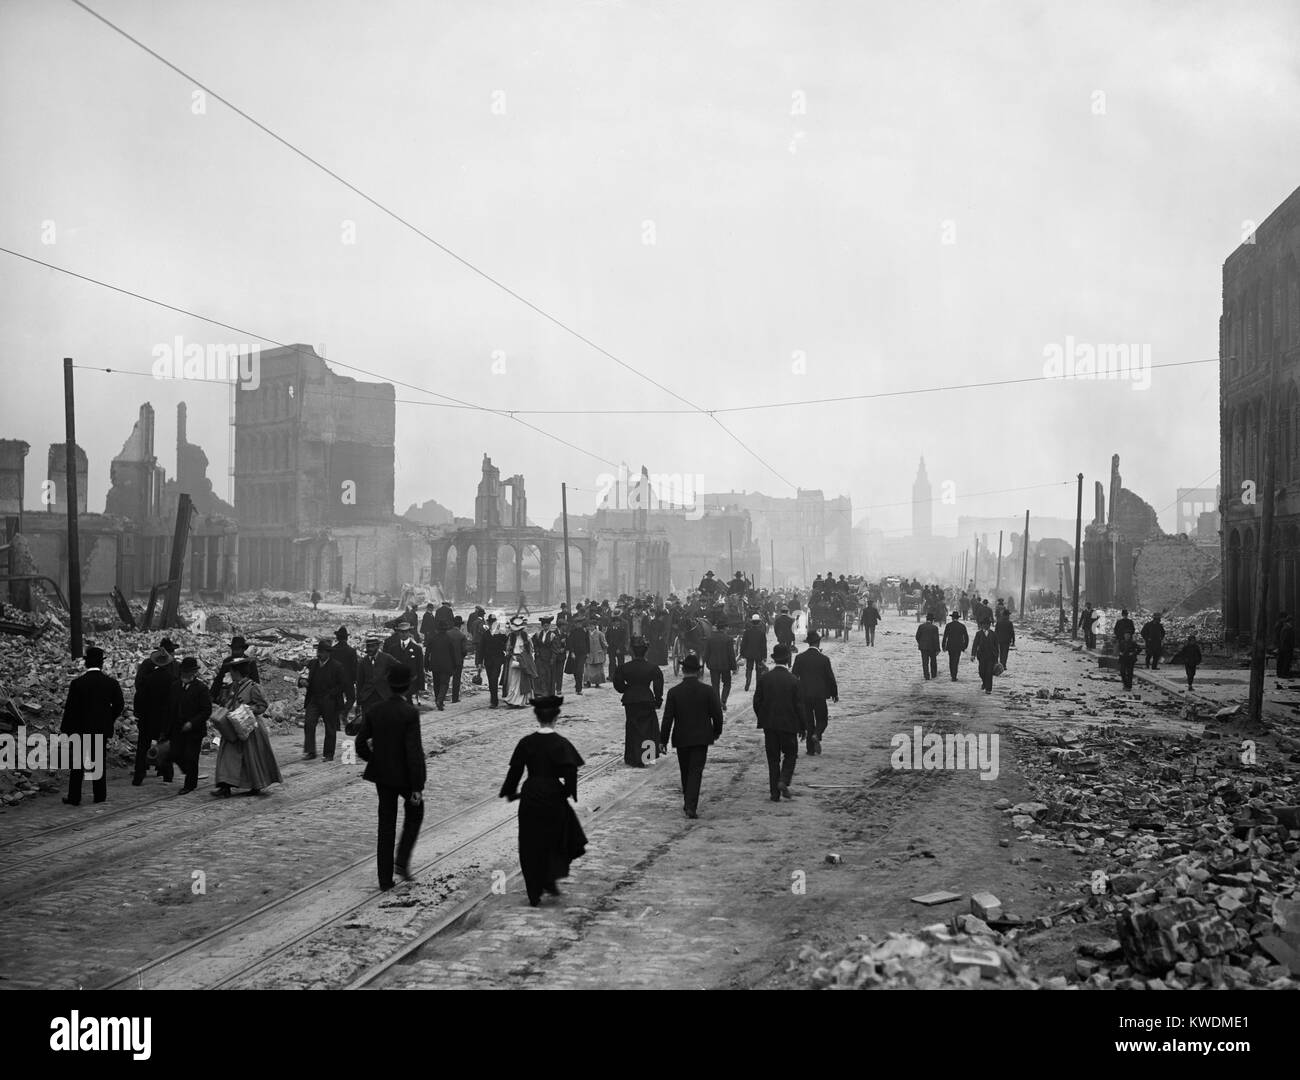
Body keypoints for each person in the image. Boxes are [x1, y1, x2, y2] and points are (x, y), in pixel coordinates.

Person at [499, 695, 588, 906]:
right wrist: (568, 792)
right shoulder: (561, 743)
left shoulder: (526, 742)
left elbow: (515, 771)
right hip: (553, 795)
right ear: (557, 717)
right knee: (556, 839)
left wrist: (510, 792)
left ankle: (534, 890)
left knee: (530, 841)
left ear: (536, 717)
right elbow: (570, 771)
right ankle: (550, 878)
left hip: (530, 795)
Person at [356, 664, 426, 890]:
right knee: (415, 813)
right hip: (405, 777)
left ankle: (384, 879)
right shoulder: (409, 713)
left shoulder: (375, 710)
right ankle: (402, 861)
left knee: (386, 825)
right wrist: (417, 785)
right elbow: (414, 751)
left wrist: (375, 760)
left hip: (383, 777)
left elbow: (359, 744)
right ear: (407, 687)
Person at [659, 653, 724, 818]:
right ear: (698, 672)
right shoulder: (708, 691)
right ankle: (690, 805)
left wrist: (662, 741)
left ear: (682, 670)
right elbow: (717, 715)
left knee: (685, 770)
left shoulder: (674, 692)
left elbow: (667, 719)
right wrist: (716, 732)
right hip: (701, 737)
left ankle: (688, 801)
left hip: (681, 737)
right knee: (696, 771)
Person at [61, 647, 124, 806]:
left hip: (80, 729)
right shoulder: (111, 683)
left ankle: (74, 797)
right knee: (98, 763)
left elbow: (70, 709)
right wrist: (108, 719)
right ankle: (99, 795)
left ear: (86, 662)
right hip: (100, 730)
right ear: (102, 664)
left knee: (77, 765)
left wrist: (66, 730)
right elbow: (119, 705)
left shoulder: (77, 683)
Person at [211, 657, 282, 797]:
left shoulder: (253, 687)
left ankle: (256, 784)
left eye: (231, 671)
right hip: (232, 727)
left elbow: (262, 706)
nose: (230, 674)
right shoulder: (233, 686)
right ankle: (225, 786)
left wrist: (247, 709)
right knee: (227, 755)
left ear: (237, 672)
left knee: (251, 757)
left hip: (249, 728)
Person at [753, 644, 805, 802]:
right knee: (790, 754)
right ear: (788, 659)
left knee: (773, 759)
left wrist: (763, 717)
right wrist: (802, 726)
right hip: (789, 725)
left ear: (774, 660)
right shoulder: (794, 681)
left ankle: (774, 793)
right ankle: (783, 780)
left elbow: (757, 702)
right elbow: (799, 706)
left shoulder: (765, 678)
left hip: (770, 725)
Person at [613, 638, 664, 767]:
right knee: (649, 729)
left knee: (632, 728)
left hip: (630, 700)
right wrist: (658, 700)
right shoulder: (653, 668)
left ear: (632, 653)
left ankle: (633, 758)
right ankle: (648, 757)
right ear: (645, 652)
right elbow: (658, 686)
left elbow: (617, 684)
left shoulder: (624, 667)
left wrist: (627, 689)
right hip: (647, 698)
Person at [166, 657, 211, 794]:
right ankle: (189, 772)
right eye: (183, 672)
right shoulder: (175, 686)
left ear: (193, 673)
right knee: (175, 754)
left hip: (194, 730)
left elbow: (206, 710)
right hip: (177, 728)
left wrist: (192, 723)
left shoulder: (201, 688)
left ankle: (190, 784)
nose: (185, 675)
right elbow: (169, 708)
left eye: (188, 672)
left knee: (192, 757)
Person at [132, 647, 176, 785]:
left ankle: (138, 776)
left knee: (142, 747)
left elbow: (138, 698)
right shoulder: (173, 681)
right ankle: (167, 774)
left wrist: (138, 713)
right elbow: (175, 702)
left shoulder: (147, 679)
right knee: (165, 746)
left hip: (147, 718)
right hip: (164, 720)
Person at [302, 637, 348, 761]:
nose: (319, 654)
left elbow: (342, 685)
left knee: (330, 728)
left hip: (330, 701)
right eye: (318, 652)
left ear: (328, 653)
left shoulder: (337, 667)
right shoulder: (313, 664)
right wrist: (302, 681)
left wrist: (331, 695)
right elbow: (304, 677)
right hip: (314, 699)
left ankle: (328, 754)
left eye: (322, 652)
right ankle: (310, 751)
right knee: (309, 723)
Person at [792, 631, 837, 755]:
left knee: (808, 722)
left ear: (808, 643)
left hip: (804, 694)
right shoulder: (824, 659)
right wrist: (834, 693)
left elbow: (794, 677)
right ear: (818, 643)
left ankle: (810, 750)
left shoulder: (800, 658)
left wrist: (794, 694)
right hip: (819, 694)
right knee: (822, 719)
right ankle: (817, 734)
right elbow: (830, 677)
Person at [356, 631, 398, 730]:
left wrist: (388, 678)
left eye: (372, 646)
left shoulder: (386, 658)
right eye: (368, 647)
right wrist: (359, 701)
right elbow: (359, 682)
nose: (370, 649)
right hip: (367, 697)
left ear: (377, 647)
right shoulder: (363, 662)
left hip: (383, 696)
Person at [211, 636, 260, 700]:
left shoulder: (250, 662)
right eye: (233, 649)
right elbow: (219, 679)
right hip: (228, 695)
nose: (234, 652)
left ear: (243, 649)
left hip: (244, 695)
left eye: (237, 649)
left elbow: (255, 681)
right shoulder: (227, 661)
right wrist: (212, 694)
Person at [704, 617, 738, 711]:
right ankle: (723, 701)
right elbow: (731, 655)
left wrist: (706, 663)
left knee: (715, 685)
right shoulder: (728, 639)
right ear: (724, 628)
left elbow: (706, 653)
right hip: (725, 666)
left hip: (713, 666)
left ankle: (717, 703)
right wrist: (734, 667)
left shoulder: (710, 638)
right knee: (727, 684)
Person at [502, 614, 536, 708]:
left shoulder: (526, 637)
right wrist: (511, 655)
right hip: (513, 661)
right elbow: (508, 649)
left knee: (522, 682)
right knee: (512, 681)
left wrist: (524, 658)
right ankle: (512, 699)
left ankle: (520, 701)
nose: (516, 632)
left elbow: (530, 649)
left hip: (523, 661)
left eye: (518, 631)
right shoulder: (511, 637)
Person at [424, 617, 457, 710]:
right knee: (444, 684)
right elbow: (453, 654)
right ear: (446, 629)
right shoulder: (450, 639)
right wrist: (455, 665)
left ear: (437, 629)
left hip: (435, 665)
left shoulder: (432, 638)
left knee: (437, 683)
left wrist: (426, 664)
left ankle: (438, 700)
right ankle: (440, 700)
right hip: (446, 665)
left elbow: (427, 653)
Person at [332, 626, 359, 728]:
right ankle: (343, 713)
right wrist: (355, 679)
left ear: (337, 638)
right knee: (351, 698)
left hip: (336, 680)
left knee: (337, 700)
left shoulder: (332, 650)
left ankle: (337, 724)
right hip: (348, 680)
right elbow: (354, 667)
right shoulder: (351, 651)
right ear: (346, 638)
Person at [479, 615, 507, 707]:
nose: (491, 624)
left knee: (494, 679)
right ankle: (493, 698)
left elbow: (507, 645)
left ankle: (494, 702)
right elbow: (481, 649)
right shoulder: (485, 634)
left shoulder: (501, 634)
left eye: (493, 622)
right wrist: (479, 662)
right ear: (488, 623)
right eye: (490, 622)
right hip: (488, 661)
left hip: (498, 660)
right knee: (491, 680)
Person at [740, 613, 768, 691]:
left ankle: (748, 682)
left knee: (749, 669)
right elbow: (764, 646)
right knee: (758, 670)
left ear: (752, 622)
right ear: (759, 622)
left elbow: (743, 644)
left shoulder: (747, 632)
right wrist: (764, 656)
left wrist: (742, 654)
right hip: (759, 654)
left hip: (749, 654)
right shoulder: (762, 633)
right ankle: (758, 686)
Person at [971, 617, 999, 694]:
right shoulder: (979, 634)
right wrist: (973, 655)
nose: (986, 626)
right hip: (981, 656)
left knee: (989, 672)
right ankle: (984, 682)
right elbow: (975, 644)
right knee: (982, 672)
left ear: (989, 625)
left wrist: (996, 658)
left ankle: (988, 689)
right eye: (984, 624)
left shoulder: (993, 634)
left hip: (991, 657)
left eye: (988, 624)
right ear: (982, 625)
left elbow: (996, 647)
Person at [564, 617, 589, 696]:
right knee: (575, 671)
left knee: (580, 670)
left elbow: (587, 642)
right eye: (577, 623)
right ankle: (577, 684)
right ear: (575, 624)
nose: (579, 625)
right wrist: (572, 652)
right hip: (574, 654)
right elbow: (570, 643)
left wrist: (588, 652)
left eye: (580, 623)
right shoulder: (572, 632)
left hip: (582, 654)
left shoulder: (585, 632)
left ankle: (579, 689)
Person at [942, 610, 969, 681]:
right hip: (958, 646)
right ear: (958, 618)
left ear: (952, 618)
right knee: (956, 660)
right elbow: (966, 637)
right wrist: (964, 646)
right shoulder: (962, 626)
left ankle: (952, 674)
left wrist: (943, 646)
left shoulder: (948, 625)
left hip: (950, 645)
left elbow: (945, 636)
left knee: (951, 660)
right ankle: (954, 675)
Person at [915, 612, 940, 680]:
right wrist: (938, 649)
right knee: (933, 661)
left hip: (923, 647)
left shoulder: (921, 626)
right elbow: (936, 639)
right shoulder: (934, 628)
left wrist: (921, 643)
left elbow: (917, 636)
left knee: (925, 662)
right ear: (932, 620)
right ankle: (933, 674)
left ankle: (926, 675)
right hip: (932, 647)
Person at [584, 620, 608, 688]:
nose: (590, 627)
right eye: (589, 625)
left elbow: (604, 643)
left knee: (598, 668)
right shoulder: (586, 633)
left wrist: (604, 650)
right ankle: (588, 682)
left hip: (598, 653)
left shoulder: (600, 634)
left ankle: (597, 682)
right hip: (589, 653)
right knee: (588, 668)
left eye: (592, 625)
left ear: (595, 626)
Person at [605, 614, 628, 683]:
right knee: (612, 662)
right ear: (613, 623)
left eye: (618, 622)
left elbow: (623, 640)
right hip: (611, 648)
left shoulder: (622, 630)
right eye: (616, 622)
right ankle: (612, 676)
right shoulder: (609, 630)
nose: (617, 623)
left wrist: (619, 648)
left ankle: (621, 676)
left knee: (621, 662)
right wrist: (609, 645)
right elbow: (607, 638)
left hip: (620, 648)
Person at [994, 606, 1016, 671]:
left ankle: (1001, 664)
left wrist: (995, 640)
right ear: (1007, 615)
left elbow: (996, 631)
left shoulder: (999, 622)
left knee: (1000, 652)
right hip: (1007, 640)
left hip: (999, 640)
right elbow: (1012, 632)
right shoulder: (1009, 623)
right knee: (1005, 653)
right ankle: (1004, 665)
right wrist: (1013, 641)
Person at [1279, 614, 1296, 679]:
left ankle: (1285, 673)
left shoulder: (1287, 627)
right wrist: (1290, 646)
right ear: (1289, 621)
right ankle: (1284, 674)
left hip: (1286, 647)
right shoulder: (1287, 628)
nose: (1292, 622)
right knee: (1286, 661)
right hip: (1287, 648)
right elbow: (1285, 639)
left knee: (1287, 661)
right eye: (1292, 621)